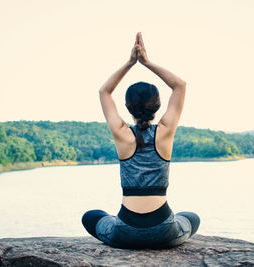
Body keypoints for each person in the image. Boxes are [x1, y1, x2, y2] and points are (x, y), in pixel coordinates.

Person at [81, 32, 200, 249]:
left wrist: (130, 62)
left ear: (127, 107)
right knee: (191, 217)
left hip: (125, 230)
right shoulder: (164, 133)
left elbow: (104, 91)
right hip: (164, 230)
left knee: (91, 216)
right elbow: (180, 85)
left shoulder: (122, 134)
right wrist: (146, 62)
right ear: (157, 106)